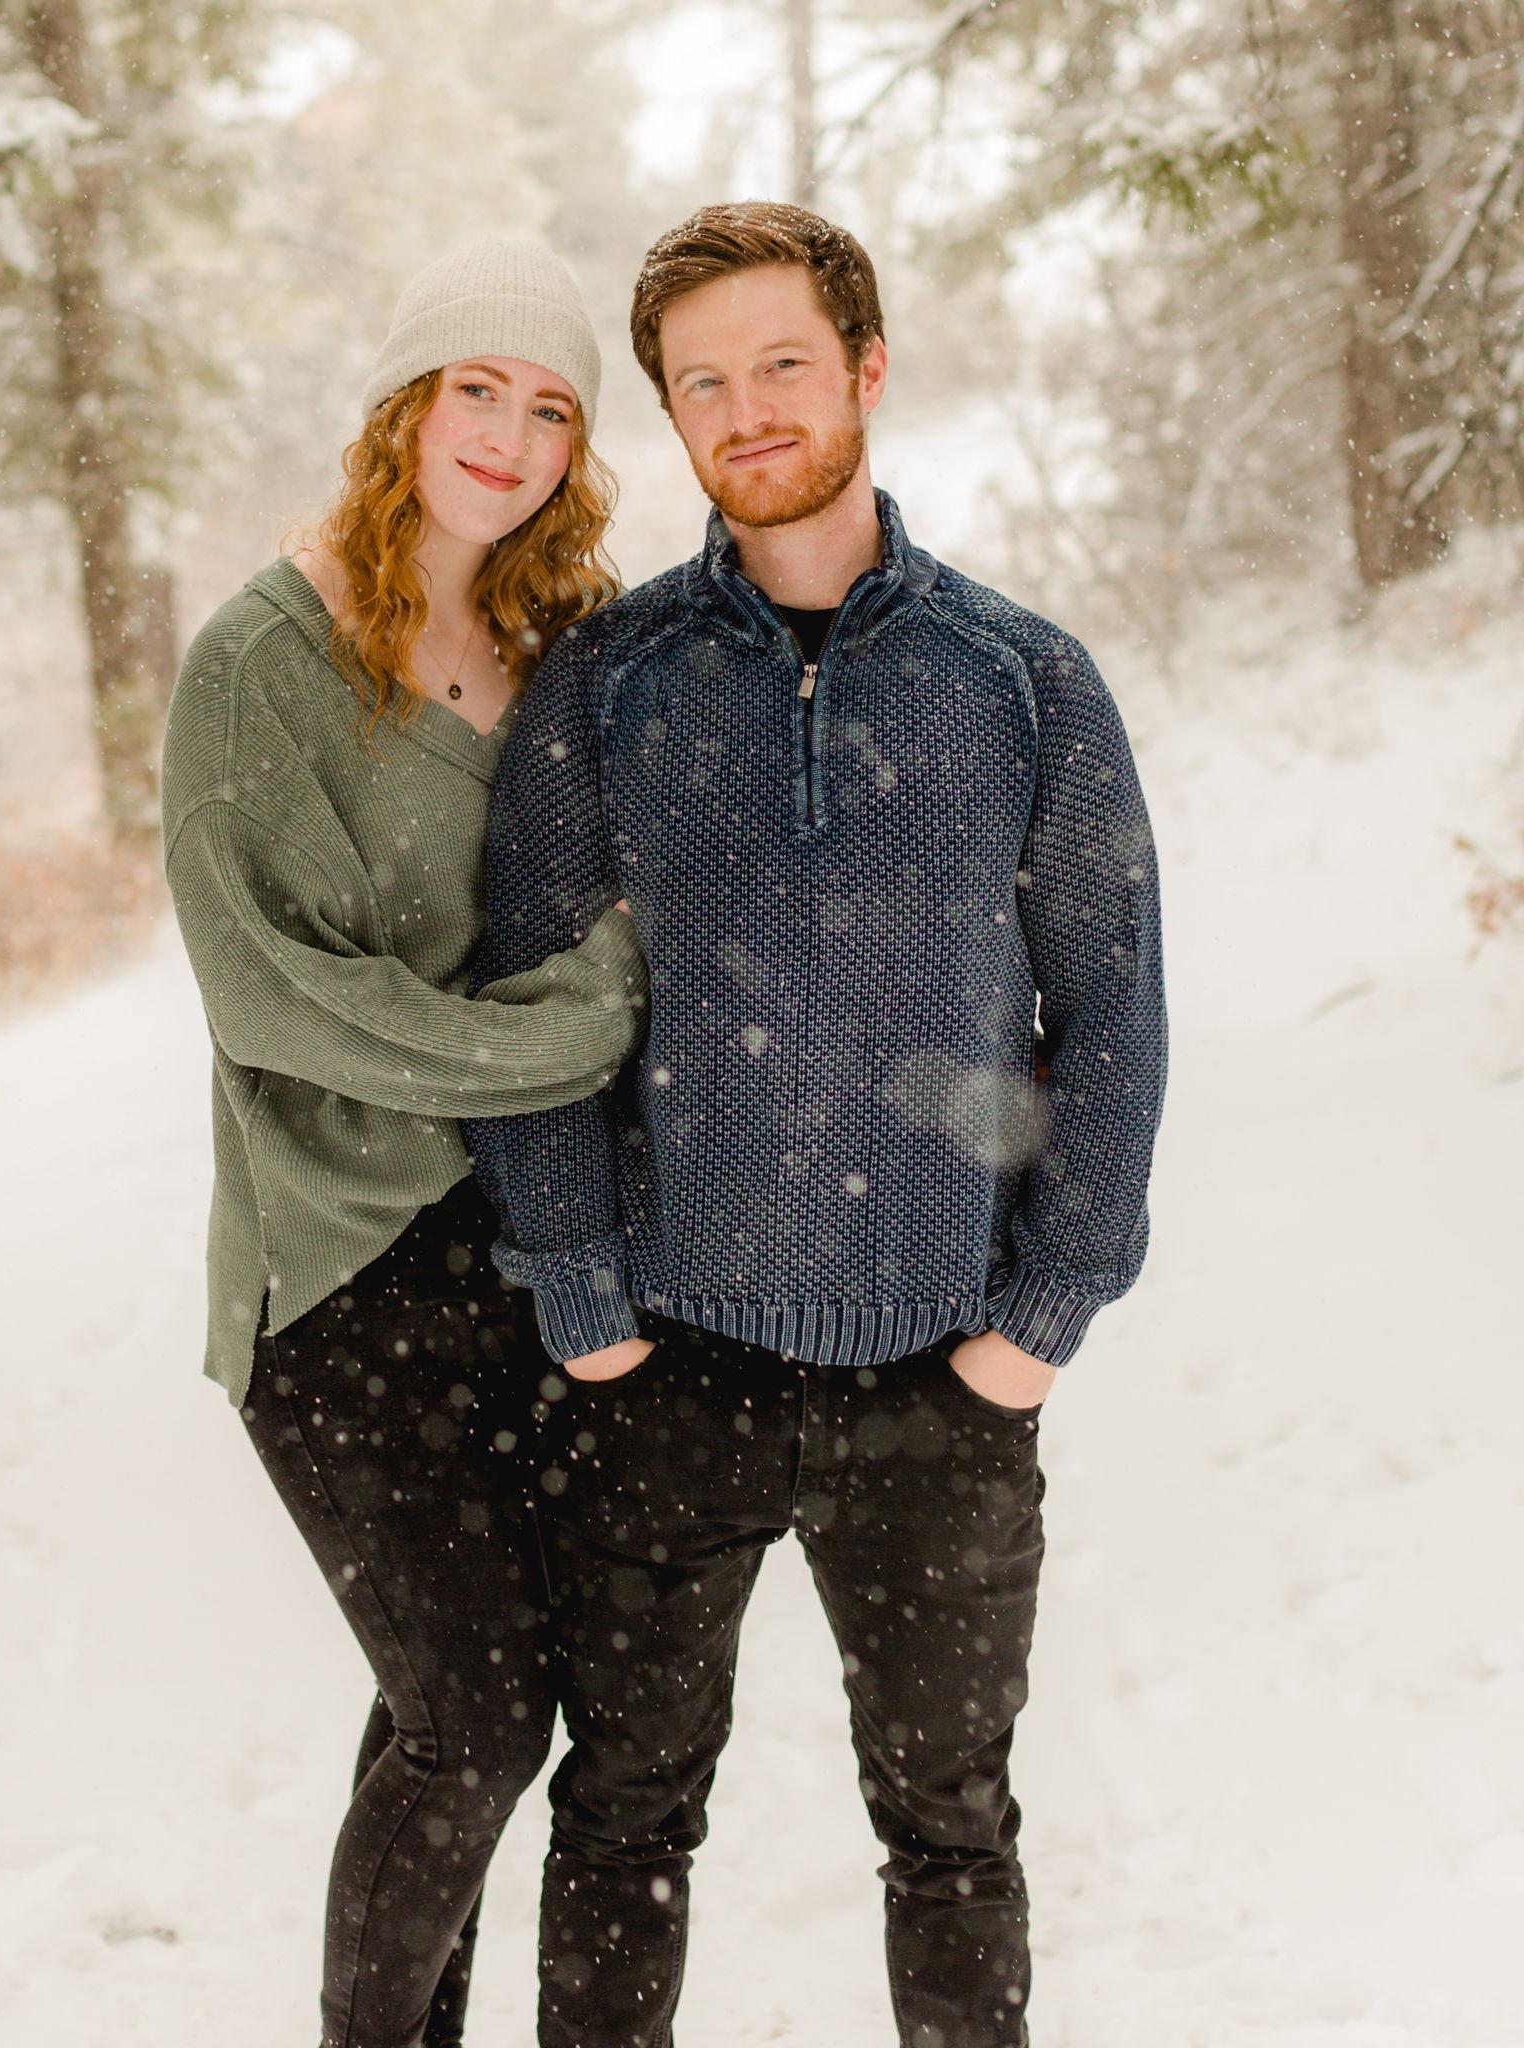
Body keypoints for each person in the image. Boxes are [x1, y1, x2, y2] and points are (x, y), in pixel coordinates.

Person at [465, 202, 1170, 2048]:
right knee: (620, 1819)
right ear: (673, 422)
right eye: (703, 382)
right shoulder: (608, 683)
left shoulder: (1021, 681)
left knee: (948, 1831)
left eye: (781, 362)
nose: (746, 408)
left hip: (944, 1371)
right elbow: (523, 1000)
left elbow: (1112, 1008)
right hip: (666, 1367)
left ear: (865, 365)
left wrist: (1045, 1317)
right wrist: (583, 1294)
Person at [160, 240, 648, 2048]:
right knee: (475, 1709)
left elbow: (606, 882)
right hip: (334, 1268)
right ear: (402, 407)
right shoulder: (260, 664)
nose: (510, 436)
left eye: (550, 408)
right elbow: (275, 994)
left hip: (511, 1254)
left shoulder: (547, 635)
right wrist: (565, 1042)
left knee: (441, 1706)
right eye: (477, 391)